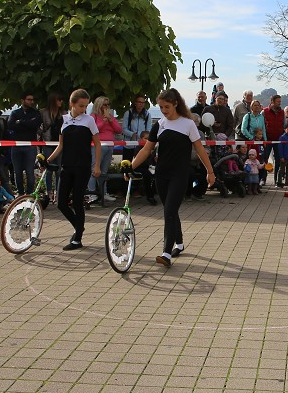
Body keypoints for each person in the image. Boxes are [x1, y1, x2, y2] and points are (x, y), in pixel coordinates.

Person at [129, 88, 215, 267]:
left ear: (176, 104)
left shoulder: (188, 124)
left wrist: (210, 171)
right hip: (161, 174)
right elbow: (147, 149)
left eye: (166, 106)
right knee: (170, 210)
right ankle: (180, 243)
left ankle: (166, 253)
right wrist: (129, 166)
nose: (164, 110)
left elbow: (199, 149)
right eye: (160, 107)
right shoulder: (159, 124)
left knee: (169, 211)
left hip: (180, 174)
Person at [44, 89, 102, 250]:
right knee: (61, 203)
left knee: (77, 201)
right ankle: (79, 227)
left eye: (86, 106)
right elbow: (61, 145)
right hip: (67, 166)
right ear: (72, 104)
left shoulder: (89, 120)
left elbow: (97, 143)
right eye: (81, 106)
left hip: (83, 167)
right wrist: (48, 159)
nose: (84, 109)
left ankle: (77, 238)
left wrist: (96, 165)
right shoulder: (64, 120)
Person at [87, 96, 121, 202]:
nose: (107, 107)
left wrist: (110, 120)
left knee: (104, 172)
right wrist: (104, 121)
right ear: (99, 105)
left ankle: (104, 192)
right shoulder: (93, 116)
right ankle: (91, 193)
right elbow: (94, 130)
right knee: (94, 170)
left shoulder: (111, 116)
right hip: (98, 146)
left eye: (108, 104)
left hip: (110, 146)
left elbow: (118, 130)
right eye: (105, 104)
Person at [9, 93, 43, 195]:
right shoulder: (14, 113)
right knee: (17, 172)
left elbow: (35, 124)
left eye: (32, 100)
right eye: (29, 99)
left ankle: (29, 194)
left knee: (30, 172)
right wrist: (27, 123)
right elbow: (11, 125)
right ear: (22, 100)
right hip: (16, 146)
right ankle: (20, 193)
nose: (31, 102)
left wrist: (20, 122)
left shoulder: (35, 113)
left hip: (30, 146)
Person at [39, 92, 65, 199]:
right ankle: (48, 192)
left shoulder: (64, 113)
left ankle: (58, 192)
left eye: (62, 100)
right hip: (48, 142)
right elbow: (39, 128)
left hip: (60, 143)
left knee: (59, 169)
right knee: (48, 169)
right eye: (59, 99)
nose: (61, 102)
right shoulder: (43, 112)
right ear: (53, 100)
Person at [261, 95, 285, 187]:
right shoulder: (265, 112)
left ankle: (277, 180)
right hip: (267, 139)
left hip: (278, 140)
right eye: (278, 101)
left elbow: (284, 125)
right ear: (272, 102)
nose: (280, 103)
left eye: (280, 101)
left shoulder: (282, 112)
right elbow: (262, 125)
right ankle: (263, 179)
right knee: (265, 159)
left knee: (278, 160)